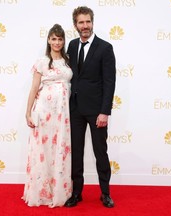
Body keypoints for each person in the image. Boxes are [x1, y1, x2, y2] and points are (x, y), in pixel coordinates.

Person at [64, 6, 116, 208]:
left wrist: (105, 111)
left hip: (96, 111)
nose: (84, 26)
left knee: (100, 152)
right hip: (75, 109)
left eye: (87, 21)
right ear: (75, 25)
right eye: (80, 22)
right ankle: (76, 193)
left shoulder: (105, 48)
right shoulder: (72, 45)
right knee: (76, 153)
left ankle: (105, 193)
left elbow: (109, 82)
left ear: (92, 22)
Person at [22, 24, 73, 208]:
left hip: (63, 115)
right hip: (44, 112)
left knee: (60, 149)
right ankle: (42, 191)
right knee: (43, 150)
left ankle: (59, 190)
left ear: (63, 41)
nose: (57, 42)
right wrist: (28, 112)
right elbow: (34, 87)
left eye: (60, 39)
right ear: (48, 40)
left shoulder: (68, 61)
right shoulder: (42, 61)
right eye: (53, 38)